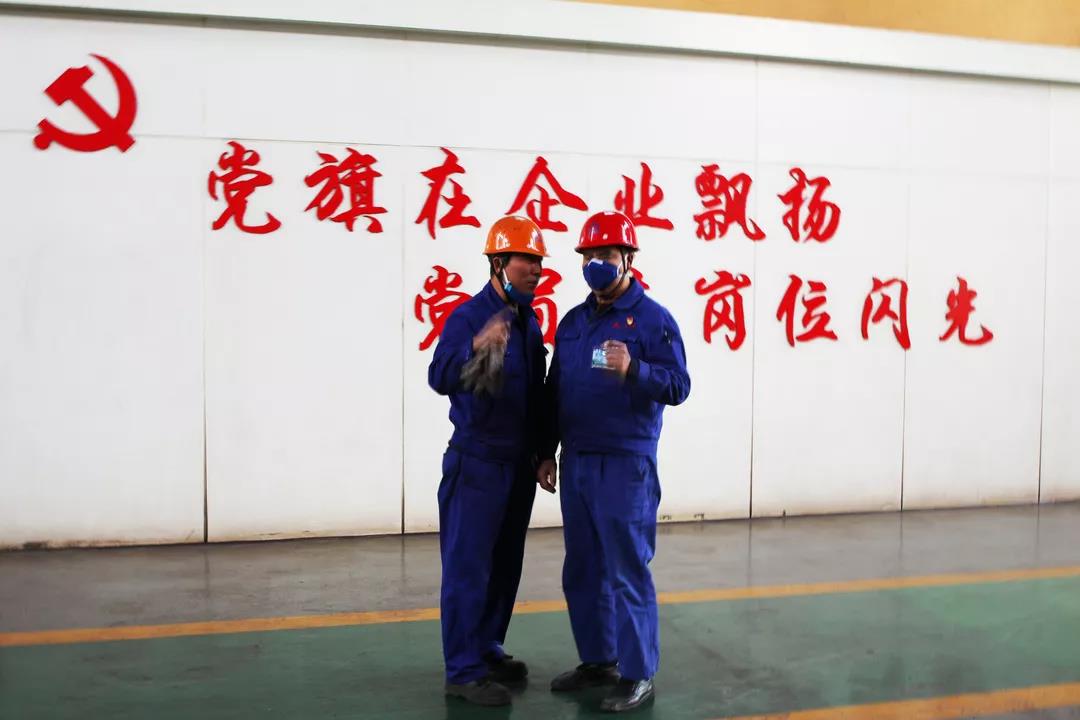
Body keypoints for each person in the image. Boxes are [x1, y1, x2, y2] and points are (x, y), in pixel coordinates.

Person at [537, 210, 691, 713]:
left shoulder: (653, 320)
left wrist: (635, 368)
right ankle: (598, 660)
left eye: (605, 255)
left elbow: (678, 385)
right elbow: (555, 389)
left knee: (627, 570)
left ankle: (638, 672)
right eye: (588, 256)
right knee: (582, 568)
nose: (595, 264)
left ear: (627, 258)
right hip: (578, 461)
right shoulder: (574, 322)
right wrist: (546, 450)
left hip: (626, 464)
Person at [427, 215, 550, 707]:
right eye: (526, 260)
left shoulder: (529, 324)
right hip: (476, 463)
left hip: (516, 465)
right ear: (499, 263)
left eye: (539, 262)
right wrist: (477, 344)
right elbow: (439, 376)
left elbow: (535, 396)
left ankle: (486, 648)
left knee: (504, 566)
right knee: (468, 567)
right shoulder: (468, 317)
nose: (535, 270)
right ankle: (462, 670)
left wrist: (543, 452)